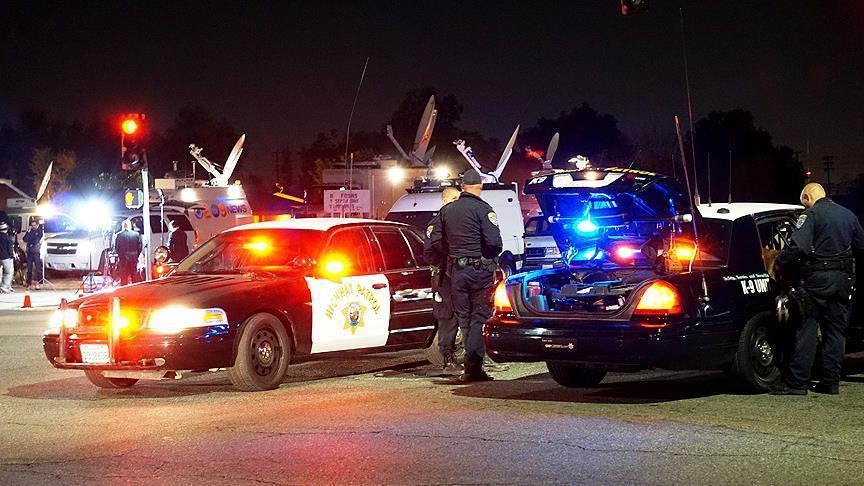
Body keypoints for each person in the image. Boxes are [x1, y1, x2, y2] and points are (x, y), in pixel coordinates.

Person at [772, 183, 864, 395]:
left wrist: (780, 262)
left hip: (816, 280)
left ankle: (797, 383)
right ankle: (830, 382)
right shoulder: (848, 215)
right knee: (835, 332)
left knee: (807, 328)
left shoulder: (811, 215)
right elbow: (861, 245)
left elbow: (799, 248)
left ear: (807, 197)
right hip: (843, 280)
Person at [430, 171, 503, 382]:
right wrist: (482, 255)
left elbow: (436, 241)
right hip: (479, 271)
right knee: (479, 317)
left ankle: (470, 369)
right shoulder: (484, 209)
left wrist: (453, 254)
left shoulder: (447, 211)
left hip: (457, 272)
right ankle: (473, 368)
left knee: (464, 318)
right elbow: (495, 243)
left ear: (462, 187)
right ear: (480, 187)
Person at [423, 186, 462, 374]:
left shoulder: (463, 223)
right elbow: (430, 254)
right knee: (448, 317)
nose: (457, 202)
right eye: (454, 199)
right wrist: (450, 264)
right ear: (444, 201)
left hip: (463, 276)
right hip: (445, 278)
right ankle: (448, 359)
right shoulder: (436, 225)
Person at [114, 220, 142, 285]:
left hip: (123, 257)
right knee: (134, 274)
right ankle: (135, 287)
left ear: (123, 226)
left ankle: (124, 288)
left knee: (124, 275)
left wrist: (120, 255)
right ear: (130, 225)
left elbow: (117, 247)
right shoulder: (136, 234)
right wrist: (136, 255)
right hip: (134, 257)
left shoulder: (119, 235)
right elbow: (140, 247)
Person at [22, 219, 44, 289]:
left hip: (36, 251)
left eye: (34, 225)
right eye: (32, 225)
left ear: (37, 225)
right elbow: (24, 239)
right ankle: (28, 282)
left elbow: (36, 240)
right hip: (29, 252)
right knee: (29, 268)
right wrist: (28, 232)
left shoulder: (40, 231)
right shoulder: (30, 231)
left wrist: (30, 242)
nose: (33, 227)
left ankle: (40, 281)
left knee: (38, 267)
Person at [0, 222, 14, 293]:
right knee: (8, 273)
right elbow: (10, 249)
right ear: (6, 229)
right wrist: (12, 256)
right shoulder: (8, 238)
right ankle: (4, 287)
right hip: (6, 257)